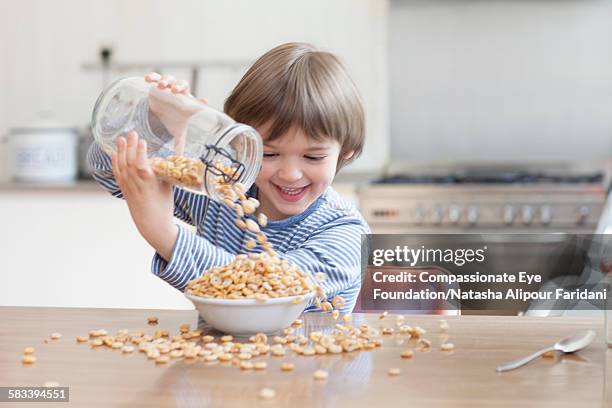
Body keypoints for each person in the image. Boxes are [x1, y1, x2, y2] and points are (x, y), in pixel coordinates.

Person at [87, 42, 370, 313]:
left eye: (312, 157)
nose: (290, 174)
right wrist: (154, 123)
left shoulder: (346, 235)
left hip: (312, 364)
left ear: (346, 151)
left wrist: (164, 235)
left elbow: (264, 290)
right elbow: (106, 170)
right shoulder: (228, 193)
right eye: (269, 154)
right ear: (241, 144)